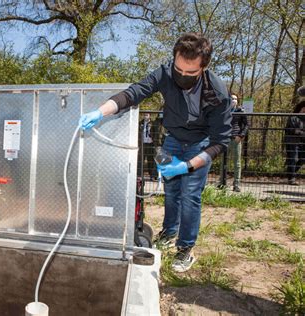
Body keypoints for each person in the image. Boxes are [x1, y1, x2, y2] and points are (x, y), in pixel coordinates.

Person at [79, 33, 232, 272]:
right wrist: (101, 111)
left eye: (190, 73)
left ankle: (185, 249)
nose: (182, 76)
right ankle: (168, 232)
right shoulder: (165, 73)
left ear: (204, 67)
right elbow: (134, 93)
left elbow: (220, 142)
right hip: (172, 140)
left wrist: (187, 166)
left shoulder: (218, 93)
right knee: (171, 191)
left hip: (199, 144)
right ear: (174, 60)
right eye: (178, 69)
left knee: (190, 195)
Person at [284, 86, 305, 185]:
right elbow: (291, 129)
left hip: (301, 142)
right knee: (293, 158)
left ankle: (290, 173)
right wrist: (301, 133)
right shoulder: (293, 117)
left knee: (302, 159)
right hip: (292, 141)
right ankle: (291, 178)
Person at [229, 94, 249, 192]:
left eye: (235, 99)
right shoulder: (224, 110)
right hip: (225, 139)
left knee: (237, 163)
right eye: (232, 98)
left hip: (236, 138)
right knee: (224, 162)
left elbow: (246, 125)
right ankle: (221, 182)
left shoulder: (240, 111)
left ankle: (236, 184)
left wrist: (240, 136)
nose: (234, 100)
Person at [141, 113, 157, 180]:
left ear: (149, 116)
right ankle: (140, 176)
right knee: (141, 160)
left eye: (147, 115)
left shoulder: (153, 123)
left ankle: (152, 176)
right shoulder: (140, 123)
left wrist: (155, 142)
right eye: (144, 115)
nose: (145, 116)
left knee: (150, 160)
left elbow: (156, 132)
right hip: (142, 144)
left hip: (150, 144)